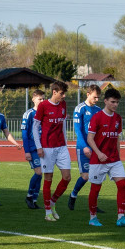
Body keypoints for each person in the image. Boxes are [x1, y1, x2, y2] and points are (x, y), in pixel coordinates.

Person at [86, 87, 125, 227]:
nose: (115, 105)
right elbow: (90, 138)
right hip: (98, 160)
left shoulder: (118, 118)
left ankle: (121, 218)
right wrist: (99, 153)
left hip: (114, 159)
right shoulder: (97, 117)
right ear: (105, 101)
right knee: (95, 188)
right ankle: (93, 218)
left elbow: (117, 139)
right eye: (113, 102)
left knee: (122, 184)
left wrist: (118, 155)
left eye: (117, 102)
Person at [33, 82, 72, 221]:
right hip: (47, 148)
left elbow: (63, 125)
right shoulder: (43, 106)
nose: (64, 96)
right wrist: (39, 147)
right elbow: (35, 127)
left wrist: (66, 144)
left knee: (67, 177)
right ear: (54, 92)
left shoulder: (63, 105)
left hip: (61, 147)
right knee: (48, 178)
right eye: (62, 93)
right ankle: (48, 212)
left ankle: (53, 201)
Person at [68, 85, 102, 210]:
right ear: (88, 94)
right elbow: (78, 130)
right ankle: (73, 195)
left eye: (98, 97)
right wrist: (84, 147)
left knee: (98, 177)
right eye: (94, 97)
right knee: (86, 176)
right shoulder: (80, 109)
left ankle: (94, 204)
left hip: (96, 148)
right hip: (83, 148)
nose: (96, 100)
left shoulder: (98, 110)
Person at [21, 90, 46, 208]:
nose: (41, 101)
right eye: (39, 99)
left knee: (41, 174)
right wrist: (27, 151)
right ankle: (29, 196)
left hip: (43, 148)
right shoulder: (29, 114)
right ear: (33, 99)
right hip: (32, 148)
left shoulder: (45, 113)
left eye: (43, 99)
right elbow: (24, 134)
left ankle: (34, 200)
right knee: (39, 172)